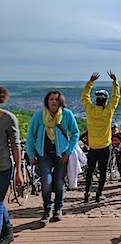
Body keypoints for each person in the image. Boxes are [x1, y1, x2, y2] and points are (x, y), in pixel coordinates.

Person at [26, 90, 79, 226]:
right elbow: (31, 136)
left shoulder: (67, 115)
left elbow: (75, 133)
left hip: (61, 154)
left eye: (56, 99)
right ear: (47, 101)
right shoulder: (39, 116)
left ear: (61, 101)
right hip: (43, 154)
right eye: (51, 99)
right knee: (47, 183)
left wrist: (68, 151)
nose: (54, 101)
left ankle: (58, 209)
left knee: (59, 182)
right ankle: (46, 209)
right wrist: (31, 155)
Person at [81, 71, 120, 203]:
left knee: (90, 171)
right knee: (103, 171)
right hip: (105, 146)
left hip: (93, 146)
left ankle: (87, 193)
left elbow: (84, 97)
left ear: (96, 100)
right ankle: (99, 193)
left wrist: (90, 82)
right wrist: (115, 82)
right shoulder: (108, 112)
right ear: (105, 101)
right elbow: (116, 98)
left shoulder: (90, 111)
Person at [0, 86, 23, 243]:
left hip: (3, 167)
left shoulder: (8, 118)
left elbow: (16, 146)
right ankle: (7, 231)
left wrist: (19, 172)